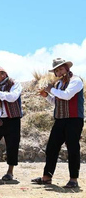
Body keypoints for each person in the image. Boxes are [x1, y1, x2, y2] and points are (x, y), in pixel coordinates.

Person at [32, 58, 84, 188]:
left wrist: (50, 89)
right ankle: (47, 177)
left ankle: (73, 179)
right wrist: (47, 96)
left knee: (72, 148)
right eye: (56, 70)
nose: (59, 72)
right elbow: (57, 102)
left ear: (67, 68)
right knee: (52, 147)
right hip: (60, 119)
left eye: (61, 69)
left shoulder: (76, 81)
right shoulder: (59, 84)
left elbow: (66, 95)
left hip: (74, 119)